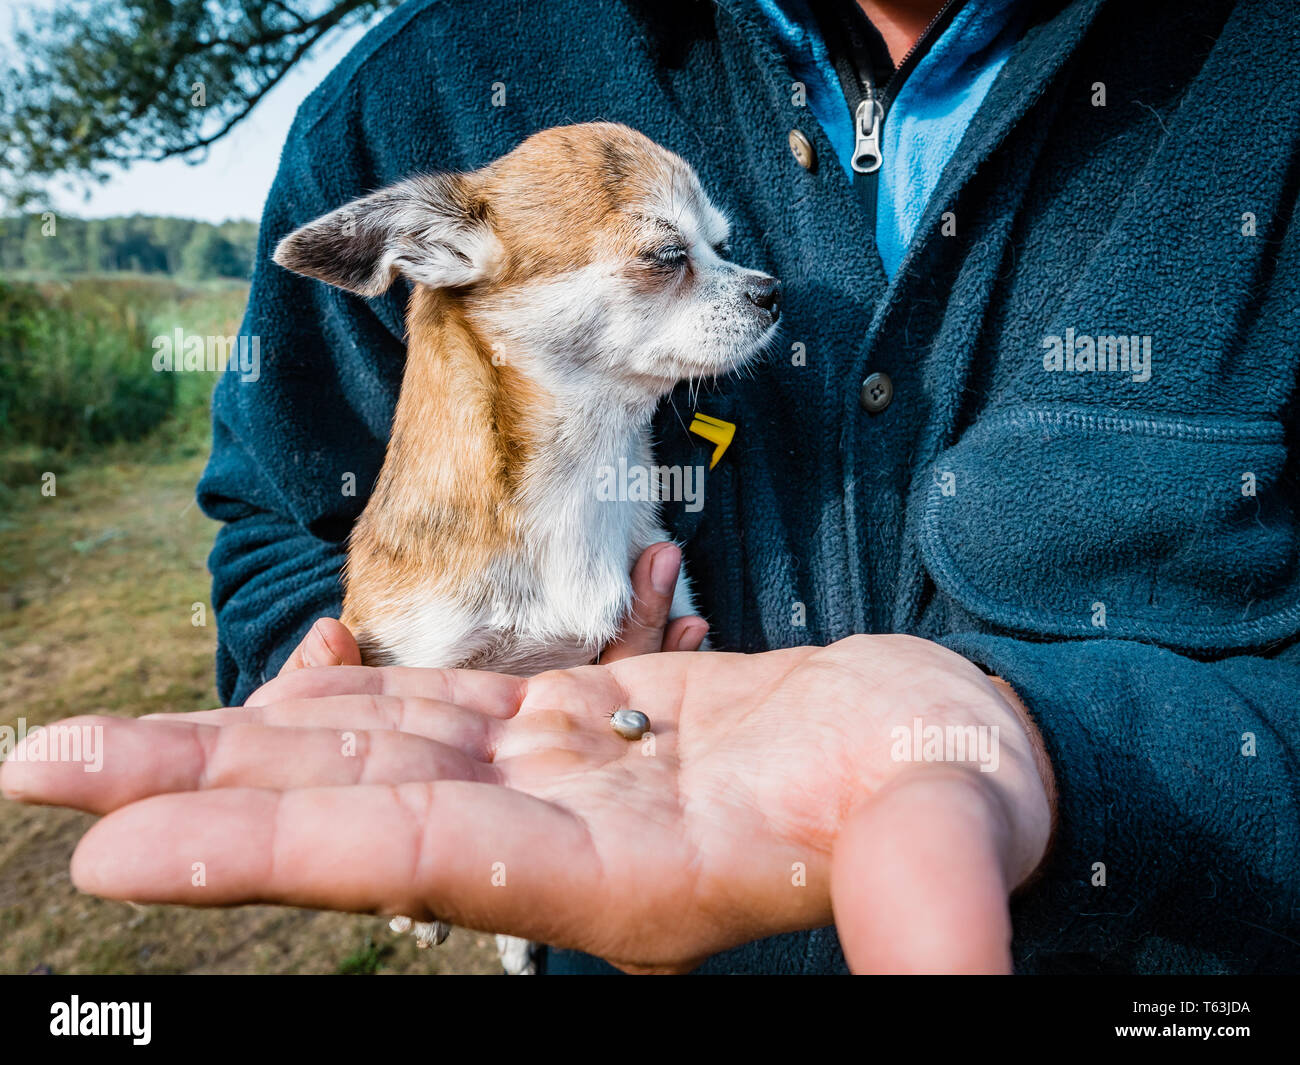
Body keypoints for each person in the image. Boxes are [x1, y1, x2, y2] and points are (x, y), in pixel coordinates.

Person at [4, 0, 1299, 974]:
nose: (737, 294)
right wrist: (371, 677)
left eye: (714, 258)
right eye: (661, 264)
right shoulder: (419, 94)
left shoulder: (1265, 70)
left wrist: (1072, 758)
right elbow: (283, 517)